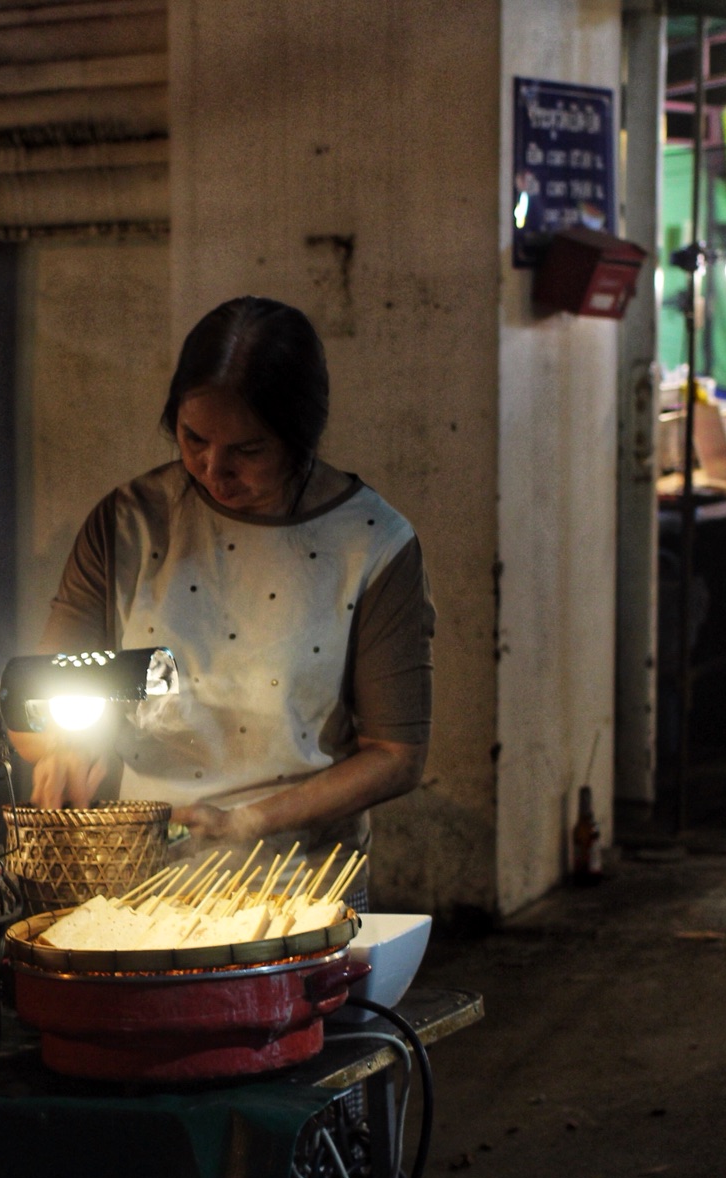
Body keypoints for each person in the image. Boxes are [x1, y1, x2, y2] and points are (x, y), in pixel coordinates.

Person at [29, 297, 433, 906]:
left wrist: (247, 822)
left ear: (300, 437)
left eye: (248, 450)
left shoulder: (374, 546)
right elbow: (47, 690)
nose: (213, 470)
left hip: (300, 889)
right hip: (138, 881)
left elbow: (395, 754)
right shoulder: (131, 524)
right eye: (194, 438)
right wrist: (59, 744)